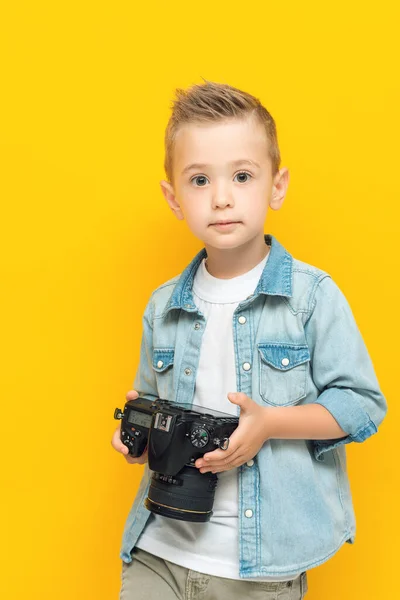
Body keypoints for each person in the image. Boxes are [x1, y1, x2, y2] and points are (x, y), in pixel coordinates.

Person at [111, 81, 387, 600]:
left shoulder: (311, 297)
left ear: (276, 187)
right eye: (199, 180)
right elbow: (148, 401)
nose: (221, 197)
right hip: (161, 552)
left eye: (241, 176)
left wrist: (271, 424)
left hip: (263, 569)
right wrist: (138, 433)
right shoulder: (162, 305)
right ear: (173, 197)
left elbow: (361, 405)